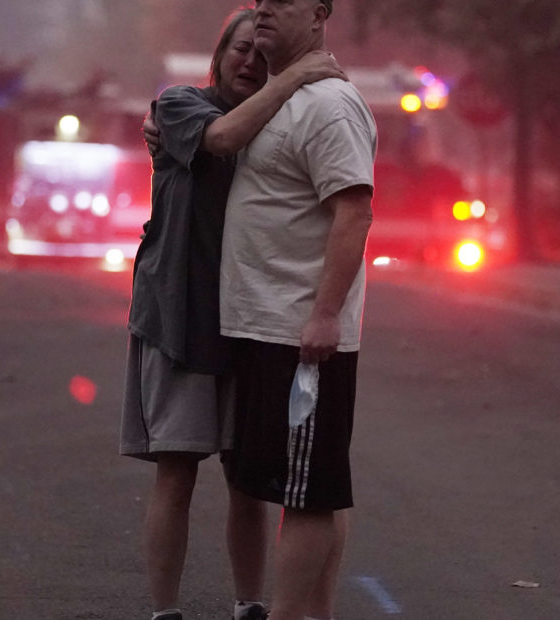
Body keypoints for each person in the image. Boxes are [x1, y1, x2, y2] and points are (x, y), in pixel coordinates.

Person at [120, 8, 345, 620]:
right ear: (217, 57)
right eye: (238, 50)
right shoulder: (179, 107)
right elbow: (221, 139)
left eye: (260, 53)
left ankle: (249, 605)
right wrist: (294, 77)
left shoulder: (271, 123)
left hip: (252, 324)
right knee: (177, 472)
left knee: (248, 481)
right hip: (179, 320)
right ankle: (166, 611)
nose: (249, 61)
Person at [218, 1, 376, 619]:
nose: (264, 13)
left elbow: (354, 212)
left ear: (318, 14)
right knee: (297, 485)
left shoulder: (330, 106)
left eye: (282, 4)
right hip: (261, 327)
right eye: (260, 3)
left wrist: (325, 315)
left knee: (307, 494)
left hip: (298, 334)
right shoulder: (278, 98)